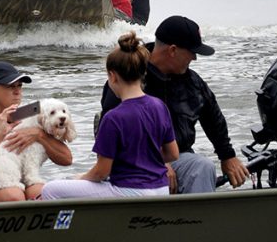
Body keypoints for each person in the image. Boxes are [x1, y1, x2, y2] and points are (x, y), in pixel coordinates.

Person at [101, 16, 249, 194]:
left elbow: (213, 118)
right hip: (132, 163)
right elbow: (112, 130)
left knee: (203, 167)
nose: (194, 58)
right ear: (172, 50)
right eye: (192, 52)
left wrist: (228, 156)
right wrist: (158, 162)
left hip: (179, 157)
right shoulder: (129, 74)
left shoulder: (193, 82)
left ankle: (200, 220)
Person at [42, 32, 177, 199]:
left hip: (129, 191)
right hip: (161, 189)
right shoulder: (159, 106)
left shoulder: (114, 117)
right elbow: (172, 154)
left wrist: (81, 178)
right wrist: (143, 159)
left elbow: (101, 172)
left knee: (50, 190)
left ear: (112, 76)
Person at [0, 61, 73, 205]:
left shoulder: (29, 112)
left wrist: (39, 134)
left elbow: (67, 160)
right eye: (10, 87)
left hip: (19, 183)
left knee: (44, 192)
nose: (17, 91)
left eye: (19, 86)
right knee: (14, 195)